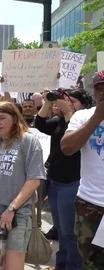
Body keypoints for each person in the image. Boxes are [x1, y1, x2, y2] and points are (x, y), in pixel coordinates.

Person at [0, 101, 45, 269]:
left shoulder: (28, 141)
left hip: (17, 213)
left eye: (2, 118)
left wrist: (11, 209)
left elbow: (35, 180)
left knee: (12, 266)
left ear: (14, 118)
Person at [36, 89, 90, 269]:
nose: (68, 104)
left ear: (83, 105)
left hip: (72, 182)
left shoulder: (86, 122)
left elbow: (73, 139)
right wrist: (48, 101)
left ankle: (72, 266)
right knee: (60, 229)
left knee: (70, 232)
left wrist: (68, 112)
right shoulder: (59, 120)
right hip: (55, 181)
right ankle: (61, 264)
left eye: (73, 101)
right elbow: (40, 124)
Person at [61, 70, 104, 269]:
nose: (103, 92)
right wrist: (97, 118)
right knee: (91, 263)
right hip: (90, 205)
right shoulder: (83, 116)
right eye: (99, 88)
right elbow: (67, 148)